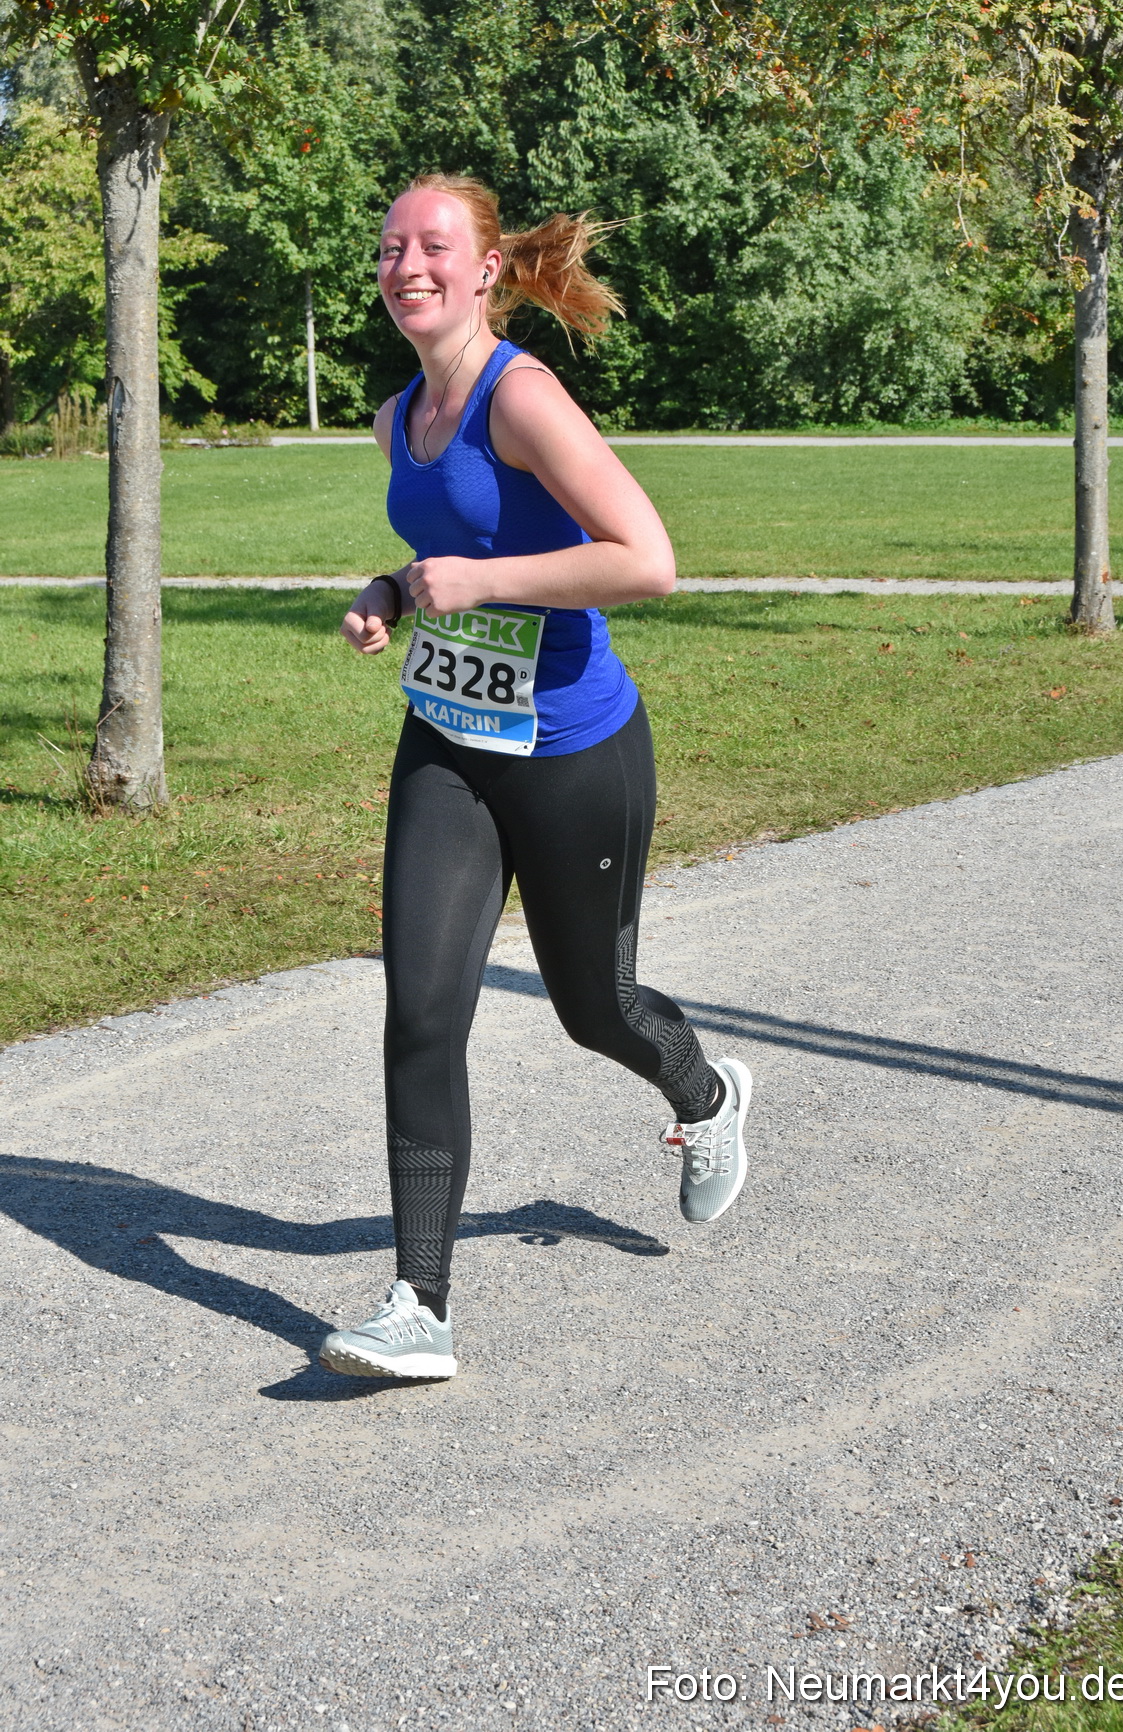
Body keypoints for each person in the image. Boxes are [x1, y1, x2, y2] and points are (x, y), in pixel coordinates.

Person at [320, 173, 752, 1381]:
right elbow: (451, 550)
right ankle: (421, 1304)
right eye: (392, 246)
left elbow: (648, 559)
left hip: (572, 750)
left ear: (489, 268)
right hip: (451, 738)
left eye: (433, 246)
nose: (407, 264)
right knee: (420, 1011)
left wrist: (478, 584)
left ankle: (707, 1094)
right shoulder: (396, 411)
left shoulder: (526, 397)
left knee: (591, 1005)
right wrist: (393, 590)